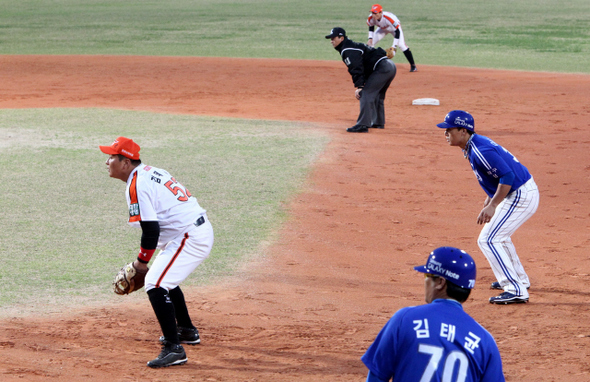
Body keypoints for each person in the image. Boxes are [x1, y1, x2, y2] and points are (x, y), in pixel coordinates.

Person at [99, 137, 214, 368]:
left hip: (190, 237)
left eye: (111, 157)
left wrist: (142, 263)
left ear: (125, 163)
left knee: (155, 283)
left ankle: (174, 348)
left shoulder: (137, 184)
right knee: (165, 278)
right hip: (191, 232)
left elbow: (151, 230)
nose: (107, 162)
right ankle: (186, 330)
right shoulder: (150, 172)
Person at [437, 110, 540, 304]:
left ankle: (515, 289)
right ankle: (520, 281)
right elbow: (495, 175)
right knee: (499, 237)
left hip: (519, 195)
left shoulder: (480, 150)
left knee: (489, 239)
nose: (445, 134)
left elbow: (507, 176)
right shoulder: (472, 145)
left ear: (462, 131)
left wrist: (493, 205)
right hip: (517, 192)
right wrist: (490, 196)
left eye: (449, 130)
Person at [362, 247, 506, 382]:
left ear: (440, 283)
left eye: (427, 275)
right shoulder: (485, 341)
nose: (424, 280)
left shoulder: (405, 319)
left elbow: (376, 377)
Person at [325, 27, 397, 133]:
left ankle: (362, 125)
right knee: (377, 95)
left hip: (382, 68)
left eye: (333, 38)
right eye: (330, 38)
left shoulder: (347, 50)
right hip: (389, 67)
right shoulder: (352, 46)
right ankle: (378, 122)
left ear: (341, 38)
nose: (331, 41)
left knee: (366, 93)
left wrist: (360, 86)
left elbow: (356, 68)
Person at [366, 4, 417, 72]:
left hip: (395, 29)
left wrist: (394, 46)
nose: (373, 15)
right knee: (370, 45)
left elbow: (397, 31)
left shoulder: (389, 18)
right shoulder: (371, 18)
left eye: (375, 13)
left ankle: (413, 66)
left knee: (402, 45)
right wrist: (370, 38)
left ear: (381, 12)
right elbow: (371, 26)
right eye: (372, 13)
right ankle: (367, 64)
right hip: (382, 29)